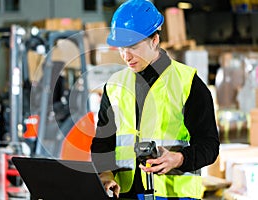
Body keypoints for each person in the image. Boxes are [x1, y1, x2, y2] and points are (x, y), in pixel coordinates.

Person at [91, 0, 220, 199]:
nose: (126, 56)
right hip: (125, 194)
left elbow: (209, 146)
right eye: (121, 48)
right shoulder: (115, 85)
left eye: (133, 46)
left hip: (174, 194)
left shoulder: (188, 83)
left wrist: (178, 159)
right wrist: (106, 175)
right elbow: (103, 143)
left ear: (154, 40)